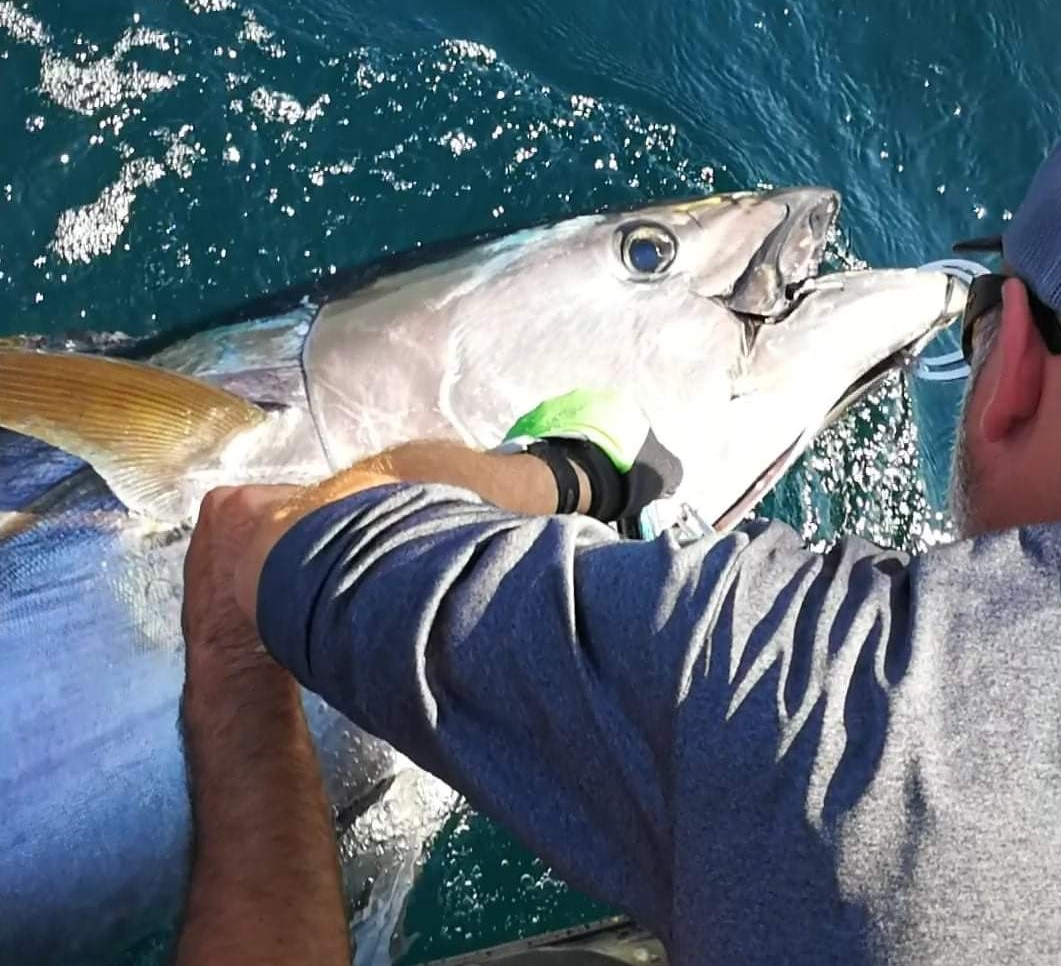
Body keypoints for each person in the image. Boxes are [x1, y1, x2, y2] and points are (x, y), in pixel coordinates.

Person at [179, 139, 1061, 966]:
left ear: (1014, 367)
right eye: (647, 254)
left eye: (648, 252)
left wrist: (569, 477)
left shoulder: (805, 675)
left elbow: (264, 531)